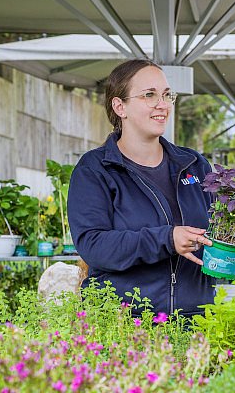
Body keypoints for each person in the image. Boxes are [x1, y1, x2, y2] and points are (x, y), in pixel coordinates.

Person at [67, 59, 215, 318]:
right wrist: (167, 239)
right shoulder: (96, 169)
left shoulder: (195, 165)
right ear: (119, 106)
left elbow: (215, 230)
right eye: (149, 95)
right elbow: (93, 245)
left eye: (167, 95)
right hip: (124, 324)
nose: (162, 104)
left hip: (196, 322)